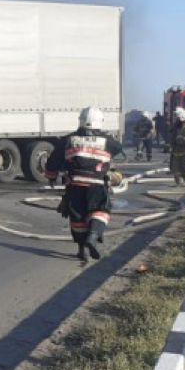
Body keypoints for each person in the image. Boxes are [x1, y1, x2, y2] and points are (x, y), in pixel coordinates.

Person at [44, 106, 124, 263]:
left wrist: (51, 176)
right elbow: (118, 148)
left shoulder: (68, 140)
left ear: (80, 121)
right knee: (100, 211)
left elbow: (53, 161)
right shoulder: (108, 142)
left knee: (77, 218)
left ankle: (81, 248)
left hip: (75, 185)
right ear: (100, 122)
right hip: (97, 185)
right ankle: (93, 236)